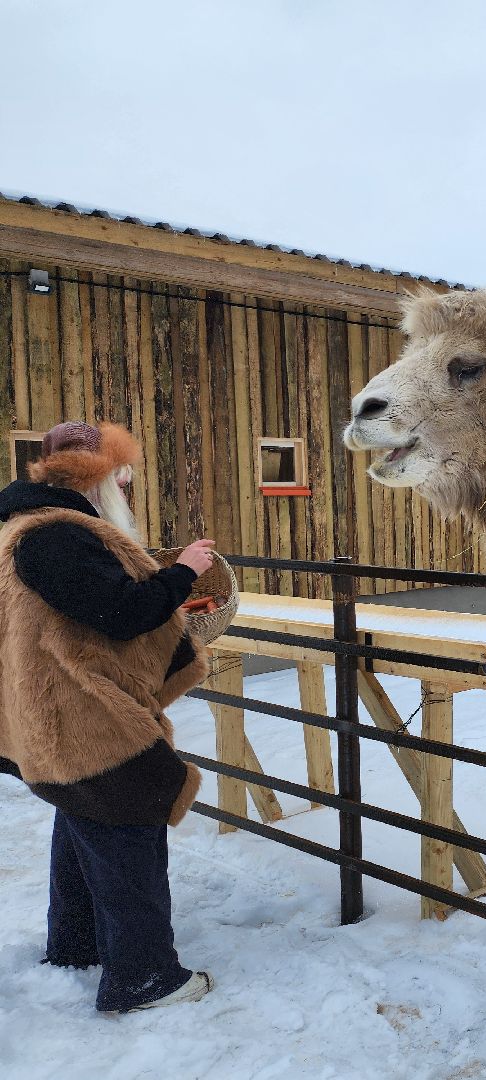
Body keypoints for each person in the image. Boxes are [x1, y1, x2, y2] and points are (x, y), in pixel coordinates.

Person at [0, 420, 218, 1013]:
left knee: (82, 826)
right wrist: (185, 572)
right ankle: (144, 978)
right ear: (95, 479)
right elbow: (122, 613)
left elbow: (74, 619)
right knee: (129, 827)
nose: (126, 486)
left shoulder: (19, 529)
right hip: (83, 719)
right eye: (121, 477)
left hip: (48, 719)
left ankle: (76, 945)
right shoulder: (55, 537)